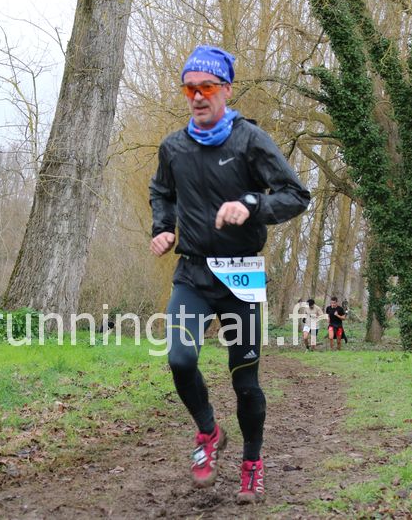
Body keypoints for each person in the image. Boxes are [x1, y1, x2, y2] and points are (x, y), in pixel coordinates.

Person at [149, 45, 310, 504]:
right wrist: (163, 228)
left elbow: (296, 195)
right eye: (190, 89)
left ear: (226, 90)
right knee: (180, 358)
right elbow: (162, 191)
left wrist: (252, 204)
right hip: (193, 273)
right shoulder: (173, 147)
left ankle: (252, 463)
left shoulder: (249, 140)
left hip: (241, 276)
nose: (198, 97)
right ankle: (208, 432)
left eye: (207, 87)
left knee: (245, 380)